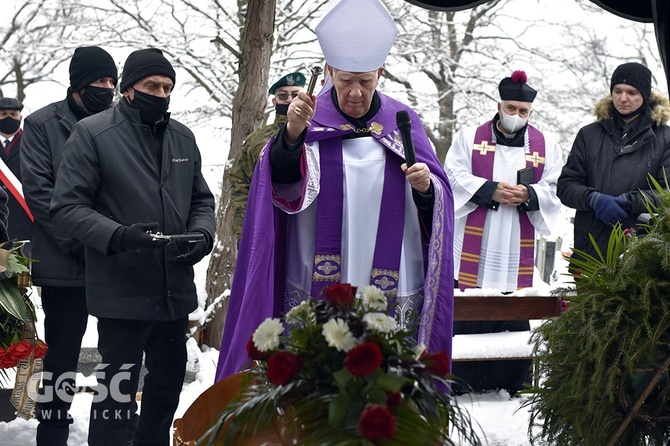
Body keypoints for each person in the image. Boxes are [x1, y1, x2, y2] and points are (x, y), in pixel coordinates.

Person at [215, 0, 455, 381]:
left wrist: (428, 190)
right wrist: (291, 134)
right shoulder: (308, 118)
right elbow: (275, 185)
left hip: (393, 268)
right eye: (345, 80)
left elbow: (438, 202)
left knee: (385, 371)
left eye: (365, 81)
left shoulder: (402, 120)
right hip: (315, 263)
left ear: (380, 72)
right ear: (329, 72)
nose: (355, 92)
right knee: (316, 369)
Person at [50, 47, 216, 446]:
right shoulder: (92, 133)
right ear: (128, 89)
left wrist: (202, 235)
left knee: (167, 386)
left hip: (173, 290)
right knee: (116, 395)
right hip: (121, 291)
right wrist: (119, 236)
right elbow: (67, 207)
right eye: (151, 85)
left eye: (167, 86)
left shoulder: (183, 137)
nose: (160, 93)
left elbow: (202, 201)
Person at [20, 46, 118, 445]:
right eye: (99, 81)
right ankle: (53, 429)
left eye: (112, 81)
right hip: (66, 258)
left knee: (118, 354)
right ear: (78, 84)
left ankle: (110, 428)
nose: (107, 89)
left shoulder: (118, 122)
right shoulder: (42, 124)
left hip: (114, 258)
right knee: (61, 352)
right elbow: (40, 193)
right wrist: (83, 242)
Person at [444, 70, 563, 393]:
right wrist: (488, 190)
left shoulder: (546, 146)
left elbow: (556, 186)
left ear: (531, 112)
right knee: (470, 304)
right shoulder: (469, 138)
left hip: (516, 242)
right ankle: (461, 382)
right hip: (473, 240)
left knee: (512, 305)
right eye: (510, 109)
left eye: (523, 111)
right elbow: (451, 176)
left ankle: (512, 381)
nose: (516, 116)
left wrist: (530, 195)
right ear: (499, 106)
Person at [558, 62, 670, 261]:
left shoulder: (664, 138)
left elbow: (667, 194)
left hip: (641, 250)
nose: (623, 98)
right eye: (617, 91)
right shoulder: (589, 134)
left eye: (632, 92)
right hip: (591, 246)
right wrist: (593, 198)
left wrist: (629, 202)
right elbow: (566, 185)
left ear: (644, 95)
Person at [229, 72, 306, 243]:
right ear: (274, 101)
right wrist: (243, 230)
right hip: (267, 219)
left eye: (295, 94)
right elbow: (240, 182)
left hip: (308, 219)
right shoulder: (257, 139)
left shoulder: (318, 134)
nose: (289, 99)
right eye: (283, 95)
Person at [0, 97, 33, 245]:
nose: (8, 118)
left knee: (23, 266)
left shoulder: (33, 142)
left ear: (20, 116)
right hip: (1, 220)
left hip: (26, 218)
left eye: (13, 114)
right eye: (3, 113)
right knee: (2, 266)